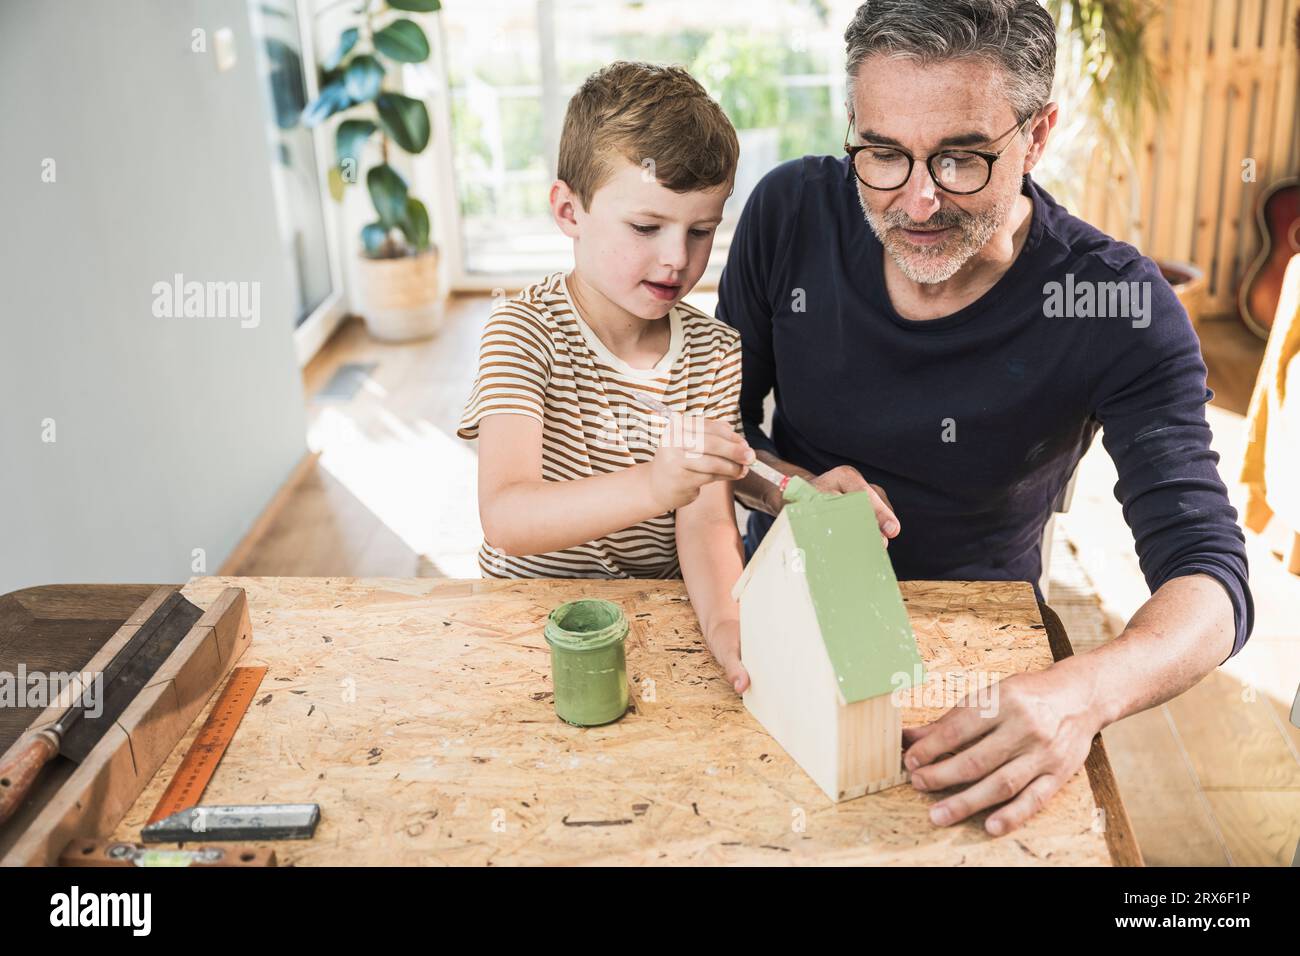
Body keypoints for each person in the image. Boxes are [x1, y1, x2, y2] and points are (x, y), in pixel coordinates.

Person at [457, 61, 753, 669]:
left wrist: (727, 625)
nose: (677, 259)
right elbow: (506, 516)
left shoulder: (717, 352)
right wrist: (653, 486)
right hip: (531, 624)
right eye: (646, 227)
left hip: (663, 617)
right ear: (569, 212)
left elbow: (705, 526)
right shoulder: (522, 331)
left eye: (702, 230)